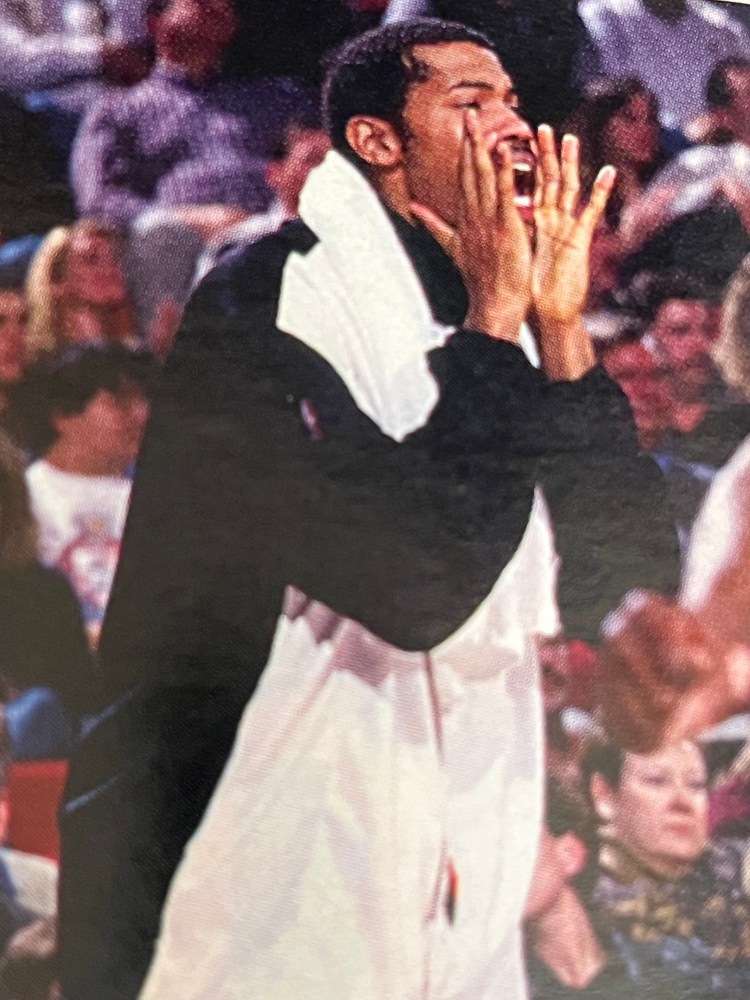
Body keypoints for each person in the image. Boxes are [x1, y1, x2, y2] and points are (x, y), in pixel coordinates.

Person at [58, 19, 678, 1000]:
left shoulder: (501, 317)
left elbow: (629, 571)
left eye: (514, 102)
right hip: (256, 872)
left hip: (459, 873)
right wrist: (493, 330)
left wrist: (560, 332)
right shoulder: (264, 302)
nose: (514, 127)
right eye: (471, 103)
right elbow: (412, 582)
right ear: (378, 141)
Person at [70, 0, 270, 227]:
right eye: (198, 2)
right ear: (156, 22)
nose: (215, 6)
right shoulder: (116, 110)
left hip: (276, 231)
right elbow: (96, 200)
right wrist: (182, 222)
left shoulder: (272, 97)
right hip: (178, 240)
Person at [585, 739, 750, 996]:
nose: (682, 800)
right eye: (656, 781)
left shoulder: (734, 862)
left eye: (696, 784)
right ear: (604, 794)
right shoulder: (597, 922)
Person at [15, 346, 152, 643]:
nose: (142, 415)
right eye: (119, 402)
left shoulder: (155, 500)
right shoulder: (24, 497)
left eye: (142, 401)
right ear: (64, 416)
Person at [578, 0, 750, 134]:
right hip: (654, 146)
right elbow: (592, 102)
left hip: (725, 142)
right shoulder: (601, 14)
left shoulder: (721, 24)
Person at [25, 222, 138, 359]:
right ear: (57, 281)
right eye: (92, 258)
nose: (110, 268)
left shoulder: (135, 356)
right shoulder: (51, 365)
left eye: (114, 257)